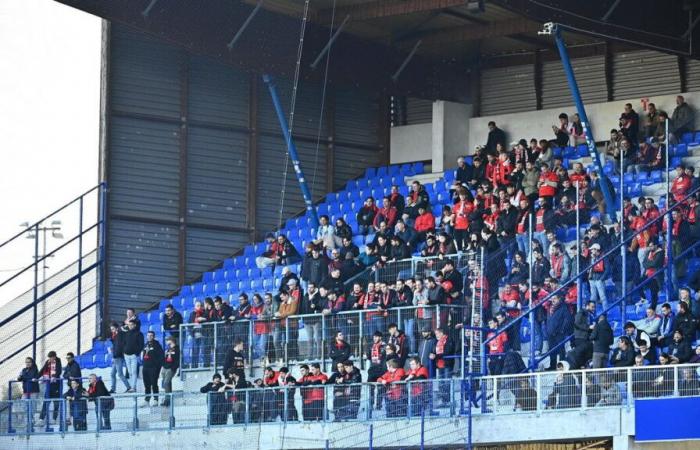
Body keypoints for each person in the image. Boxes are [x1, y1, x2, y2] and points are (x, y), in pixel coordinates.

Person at [38, 351, 62, 426]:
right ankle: (41, 419)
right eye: (49, 357)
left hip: (56, 385)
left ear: (54, 357)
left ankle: (54, 419)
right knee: (46, 402)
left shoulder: (58, 361)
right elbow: (42, 370)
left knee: (56, 403)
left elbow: (59, 371)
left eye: (51, 357)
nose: (50, 359)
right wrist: (36, 377)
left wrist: (54, 376)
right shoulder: (47, 362)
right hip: (49, 385)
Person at [432, 327, 454, 406]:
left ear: (442, 333)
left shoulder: (448, 340)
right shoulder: (436, 342)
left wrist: (436, 356)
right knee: (441, 383)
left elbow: (448, 351)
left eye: (437, 334)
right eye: (435, 334)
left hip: (447, 364)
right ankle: (443, 400)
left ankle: (447, 400)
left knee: (447, 383)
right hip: (439, 365)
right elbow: (434, 351)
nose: (436, 335)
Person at [141, 330, 164, 406]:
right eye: (148, 335)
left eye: (151, 335)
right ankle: (147, 399)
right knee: (146, 384)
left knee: (154, 384)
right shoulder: (145, 345)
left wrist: (157, 367)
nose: (149, 337)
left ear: (154, 336)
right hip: (145, 367)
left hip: (153, 368)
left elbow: (161, 357)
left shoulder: (157, 345)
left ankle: (155, 399)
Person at [366, 331, 387, 410]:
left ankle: (378, 405)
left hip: (381, 370)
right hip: (372, 370)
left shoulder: (384, 346)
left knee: (380, 388)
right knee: (370, 388)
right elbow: (368, 358)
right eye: (374, 337)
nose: (374, 338)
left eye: (376, 337)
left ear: (380, 337)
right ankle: (370, 405)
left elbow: (385, 358)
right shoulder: (371, 346)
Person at [109, 321, 130, 393]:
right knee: (112, 374)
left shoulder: (120, 335)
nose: (112, 331)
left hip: (118, 357)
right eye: (111, 329)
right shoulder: (115, 336)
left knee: (120, 374)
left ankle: (129, 387)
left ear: (117, 328)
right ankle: (113, 389)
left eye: (113, 329)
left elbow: (119, 347)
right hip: (115, 357)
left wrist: (115, 355)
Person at [123, 320, 144, 393]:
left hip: (134, 355)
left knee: (134, 371)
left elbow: (141, 345)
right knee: (130, 372)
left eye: (131, 324)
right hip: (126, 355)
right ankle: (132, 386)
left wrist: (136, 353)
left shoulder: (139, 333)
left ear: (135, 325)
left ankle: (133, 387)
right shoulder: (126, 333)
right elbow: (124, 343)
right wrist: (124, 352)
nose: (130, 326)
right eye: (129, 325)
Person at [160, 335, 179, 406]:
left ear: (171, 340)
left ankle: (167, 400)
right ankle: (168, 398)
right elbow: (165, 358)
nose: (166, 341)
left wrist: (173, 368)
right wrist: (163, 365)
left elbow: (177, 360)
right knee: (167, 384)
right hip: (165, 368)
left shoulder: (177, 349)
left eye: (168, 340)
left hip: (171, 368)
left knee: (166, 383)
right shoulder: (168, 349)